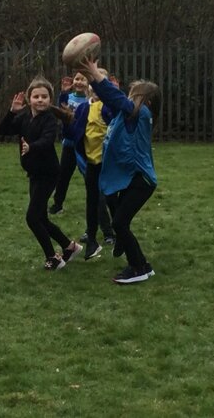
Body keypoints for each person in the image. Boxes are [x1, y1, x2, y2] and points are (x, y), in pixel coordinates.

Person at [77, 59, 161, 284]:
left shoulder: (141, 114)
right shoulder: (126, 115)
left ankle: (138, 267)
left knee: (119, 224)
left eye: (134, 95)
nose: (128, 98)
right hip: (131, 179)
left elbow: (115, 97)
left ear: (146, 101)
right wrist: (92, 78)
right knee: (117, 216)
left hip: (140, 181)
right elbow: (110, 99)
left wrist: (95, 73)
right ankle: (142, 265)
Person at [0, 76, 82, 270]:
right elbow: (3, 130)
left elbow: (47, 140)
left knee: (32, 218)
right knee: (41, 217)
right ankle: (70, 247)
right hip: (35, 173)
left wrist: (31, 147)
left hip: (48, 173)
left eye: (44, 96)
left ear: (50, 99)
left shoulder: (49, 119)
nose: (40, 100)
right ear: (29, 99)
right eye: (36, 96)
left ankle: (52, 257)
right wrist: (12, 112)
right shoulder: (24, 116)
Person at [67, 69, 117, 260]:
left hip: (108, 163)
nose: (95, 87)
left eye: (99, 82)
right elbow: (74, 134)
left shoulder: (110, 107)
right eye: (92, 82)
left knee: (110, 199)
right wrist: (66, 120)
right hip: (91, 162)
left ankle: (116, 232)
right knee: (92, 200)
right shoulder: (83, 108)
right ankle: (92, 239)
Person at [49, 73, 89, 214]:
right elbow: (61, 110)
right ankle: (57, 204)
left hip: (85, 145)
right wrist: (64, 93)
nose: (79, 82)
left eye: (83, 79)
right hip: (69, 144)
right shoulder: (69, 97)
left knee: (89, 176)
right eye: (77, 79)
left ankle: (95, 203)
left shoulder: (89, 99)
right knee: (63, 175)